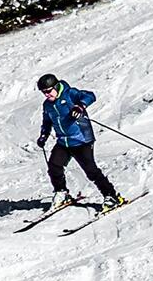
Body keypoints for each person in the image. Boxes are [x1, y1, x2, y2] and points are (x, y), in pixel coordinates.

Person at [35, 73, 124, 213]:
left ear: (56, 86)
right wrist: (43, 135)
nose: (46, 95)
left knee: (91, 171)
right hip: (63, 141)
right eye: (43, 92)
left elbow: (90, 95)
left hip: (81, 139)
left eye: (48, 91)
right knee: (54, 167)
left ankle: (112, 196)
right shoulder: (48, 105)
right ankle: (61, 193)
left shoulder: (69, 94)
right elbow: (47, 121)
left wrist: (80, 106)